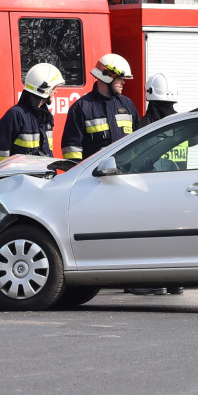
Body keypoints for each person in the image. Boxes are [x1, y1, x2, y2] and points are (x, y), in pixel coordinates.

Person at [128, 72, 184, 296]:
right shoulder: (182, 123)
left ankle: (153, 281)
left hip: (152, 190)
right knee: (176, 234)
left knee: (151, 235)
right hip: (179, 190)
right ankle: (176, 281)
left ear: (149, 94)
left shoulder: (146, 125)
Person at [61, 53, 139, 162]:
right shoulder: (81, 107)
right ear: (107, 76)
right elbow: (72, 148)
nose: (123, 82)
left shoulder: (128, 105)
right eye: (120, 78)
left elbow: (138, 142)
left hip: (123, 173)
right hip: (93, 176)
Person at [0, 63, 65, 164]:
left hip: (43, 177)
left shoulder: (45, 116)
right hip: (22, 178)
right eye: (54, 88)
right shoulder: (16, 115)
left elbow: (47, 152)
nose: (56, 92)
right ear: (44, 88)